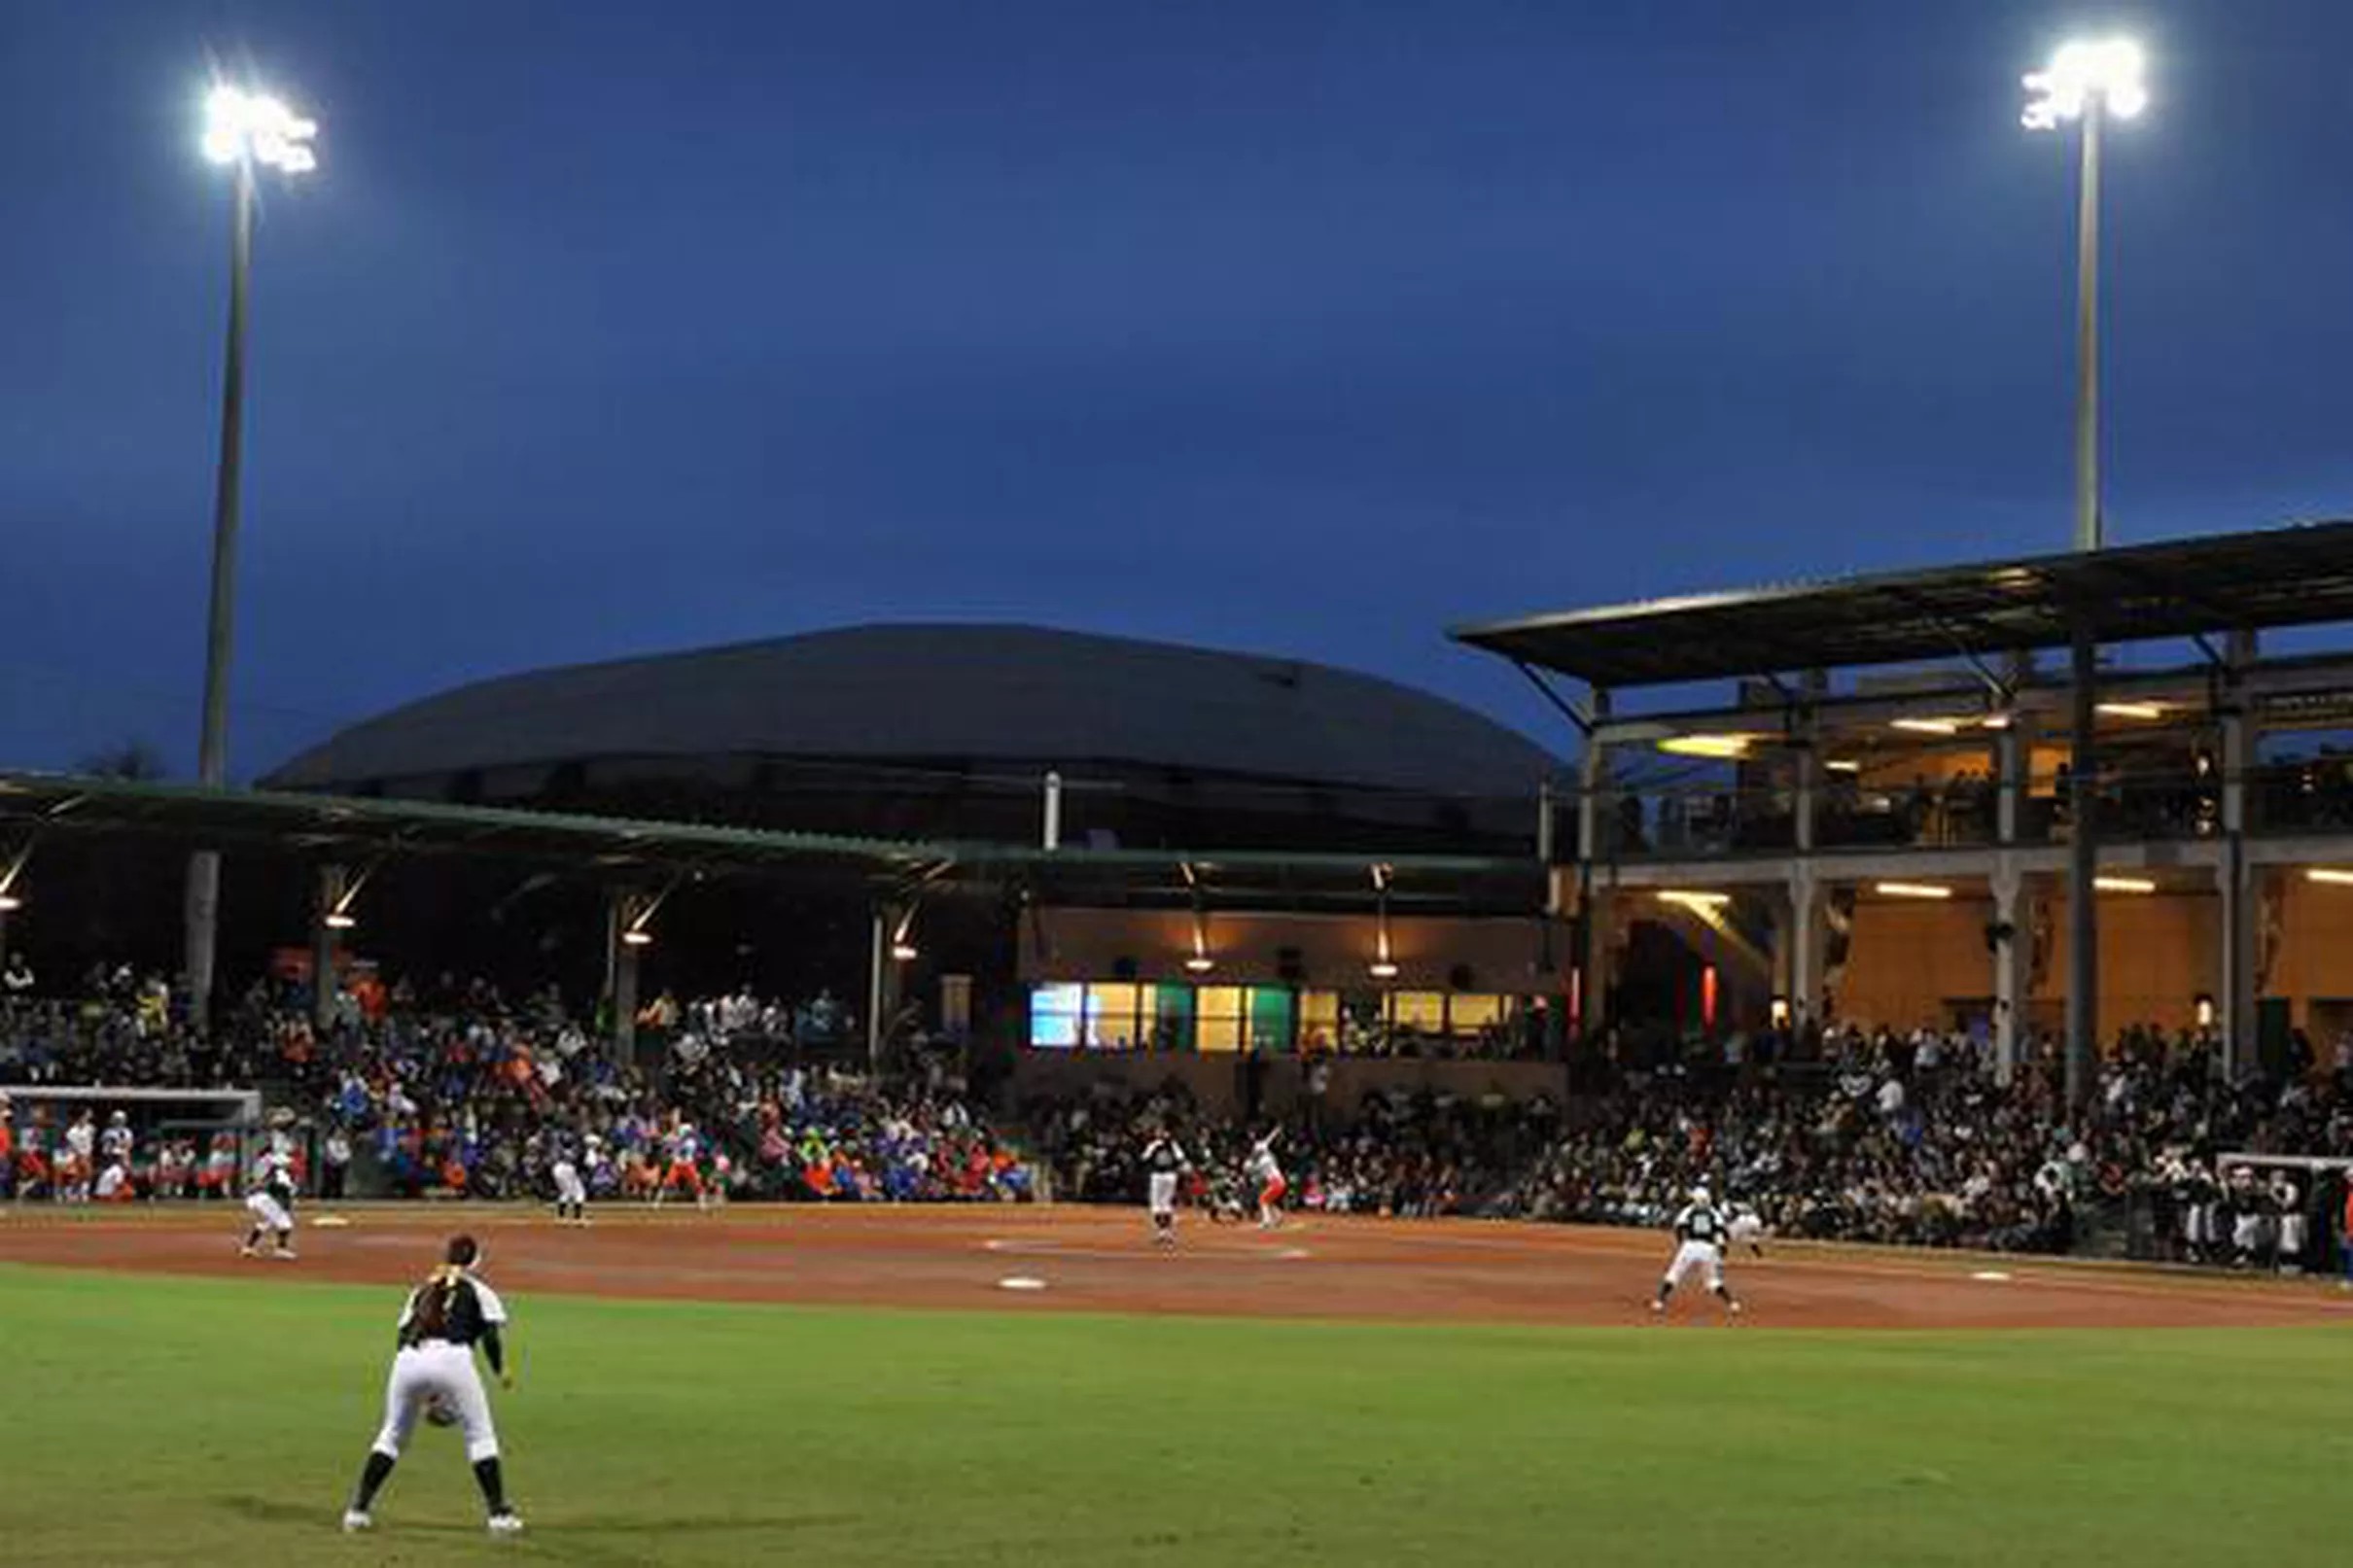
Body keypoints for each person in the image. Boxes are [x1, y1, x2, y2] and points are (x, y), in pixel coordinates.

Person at [342, 1234, 523, 1536]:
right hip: (454, 1358)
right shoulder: (479, 1290)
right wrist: (500, 1370)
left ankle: (357, 1511)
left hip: (408, 1359)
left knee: (392, 1435)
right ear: (475, 1261)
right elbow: (490, 1335)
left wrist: (425, 1390)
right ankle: (499, 1516)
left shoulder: (421, 1289)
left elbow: (402, 1335)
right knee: (480, 1435)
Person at [1651, 1184, 1742, 1318]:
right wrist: (1722, 1247)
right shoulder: (1713, 1212)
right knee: (1712, 1280)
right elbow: (1721, 1232)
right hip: (1708, 1248)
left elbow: (1679, 1227)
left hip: (1690, 1245)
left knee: (1674, 1274)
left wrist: (1681, 1242)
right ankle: (1731, 1303)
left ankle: (1659, 1301)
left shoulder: (1689, 1210)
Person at [240, 1145, 299, 1260]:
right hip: (263, 1198)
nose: (291, 1165)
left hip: (255, 1198)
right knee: (285, 1223)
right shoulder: (279, 1172)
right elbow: (282, 1191)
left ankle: (248, 1247)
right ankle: (281, 1249)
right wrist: (287, 1206)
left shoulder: (264, 1165)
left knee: (265, 1222)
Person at [1140, 1128, 1190, 1249]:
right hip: (1171, 1175)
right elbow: (1181, 1159)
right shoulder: (1173, 1145)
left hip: (1157, 1175)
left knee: (1156, 1204)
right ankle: (1168, 1233)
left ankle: (1161, 1232)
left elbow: (1144, 1158)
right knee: (1166, 1203)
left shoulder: (1154, 1145)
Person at [1247, 1128, 1286, 1231]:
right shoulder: (1268, 1157)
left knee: (1262, 1200)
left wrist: (1248, 1167)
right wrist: (1276, 1131)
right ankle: (1278, 1217)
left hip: (1276, 1183)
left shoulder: (1262, 1161)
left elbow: (1254, 1169)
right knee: (1268, 1200)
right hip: (1279, 1182)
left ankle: (1266, 1222)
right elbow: (1268, 1140)